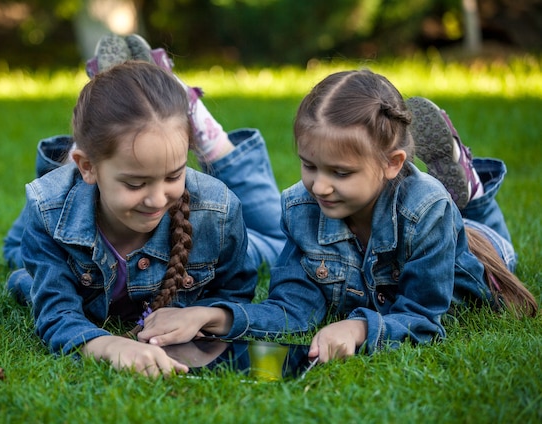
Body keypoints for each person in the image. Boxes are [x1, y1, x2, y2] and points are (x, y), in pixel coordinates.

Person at [137, 69, 538, 364]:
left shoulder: (426, 210)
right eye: (309, 166)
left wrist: (358, 326)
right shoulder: (301, 208)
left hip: (475, 256)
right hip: (430, 216)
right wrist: (212, 315)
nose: (319, 186)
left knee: (491, 240)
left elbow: (423, 317)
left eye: (340, 173)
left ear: (393, 162)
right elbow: (292, 307)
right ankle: (466, 191)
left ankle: (473, 194)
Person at [2, 34, 285, 376]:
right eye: (135, 183)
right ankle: (98, 136)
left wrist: (204, 315)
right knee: (18, 253)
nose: (156, 199)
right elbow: (56, 312)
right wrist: (105, 344)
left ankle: (198, 122)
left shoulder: (217, 212)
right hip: (73, 195)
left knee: (276, 243)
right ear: (88, 166)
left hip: (189, 212)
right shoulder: (51, 214)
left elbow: (235, 291)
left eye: (173, 176)